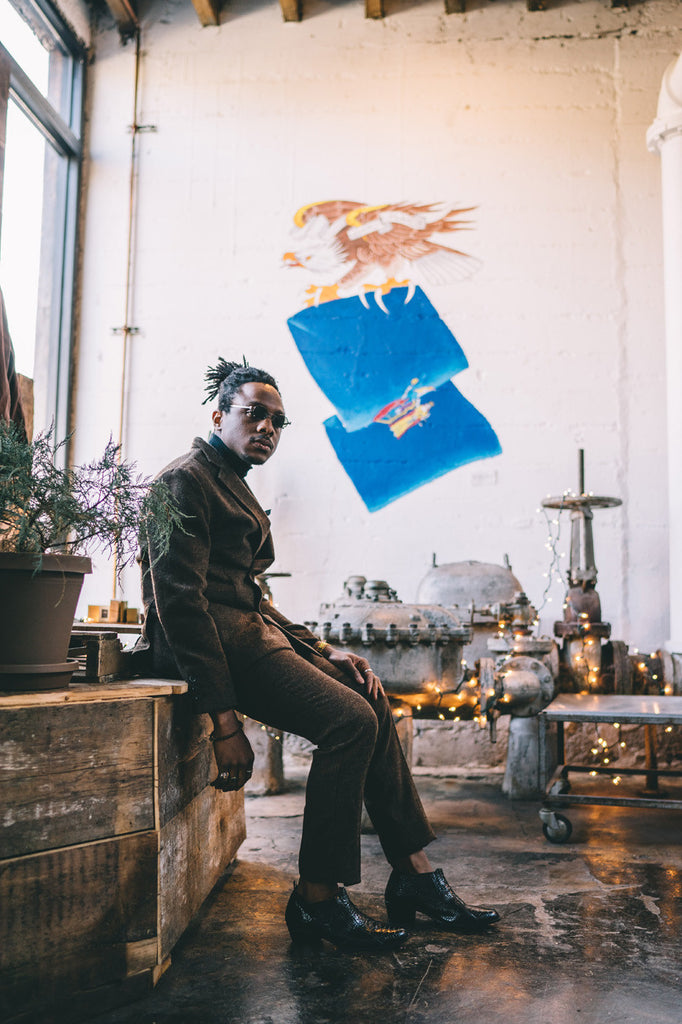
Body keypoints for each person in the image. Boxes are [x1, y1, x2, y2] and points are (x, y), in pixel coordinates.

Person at [139, 358, 500, 951]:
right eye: (254, 413)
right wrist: (224, 721)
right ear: (218, 414)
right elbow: (180, 607)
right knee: (349, 722)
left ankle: (415, 876)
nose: (267, 429)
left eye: (278, 422)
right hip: (214, 651)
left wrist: (324, 650)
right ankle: (316, 899)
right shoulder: (184, 481)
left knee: (370, 697)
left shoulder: (230, 482)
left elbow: (251, 598)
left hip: (248, 636)